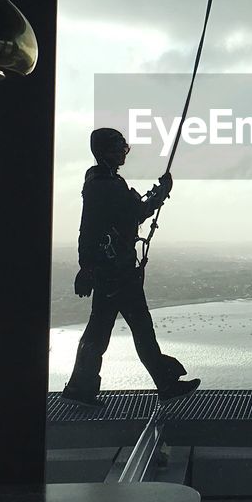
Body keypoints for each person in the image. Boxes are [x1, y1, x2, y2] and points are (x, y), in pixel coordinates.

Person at [60, 127, 200, 408]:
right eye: (120, 147)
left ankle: (81, 387)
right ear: (107, 151)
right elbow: (136, 212)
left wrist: (86, 267)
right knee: (137, 328)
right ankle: (165, 383)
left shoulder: (98, 181)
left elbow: (89, 229)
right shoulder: (108, 185)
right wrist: (162, 193)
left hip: (108, 271)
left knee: (103, 331)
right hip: (118, 274)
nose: (125, 151)